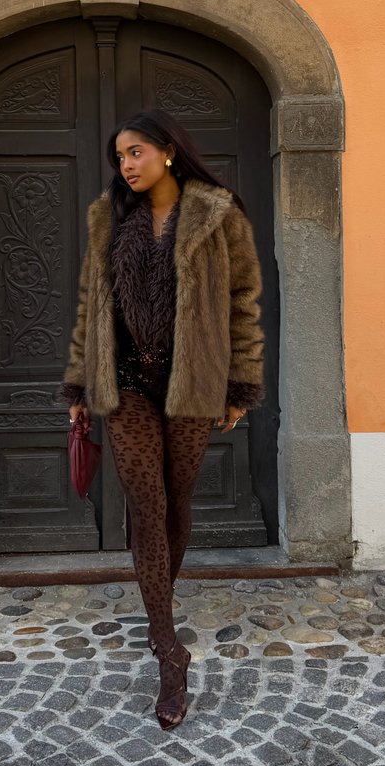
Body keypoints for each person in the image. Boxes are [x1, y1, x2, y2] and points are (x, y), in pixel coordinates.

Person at [57, 107, 265, 730]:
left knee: (177, 502)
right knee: (146, 504)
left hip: (192, 383)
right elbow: (91, 304)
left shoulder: (218, 215)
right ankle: (169, 652)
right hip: (125, 386)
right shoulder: (108, 219)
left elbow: (243, 306)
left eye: (136, 152)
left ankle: (158, 614)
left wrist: (241, 385)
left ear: (168, 152)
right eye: (120, 156)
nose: (126, 165)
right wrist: (78, 380)